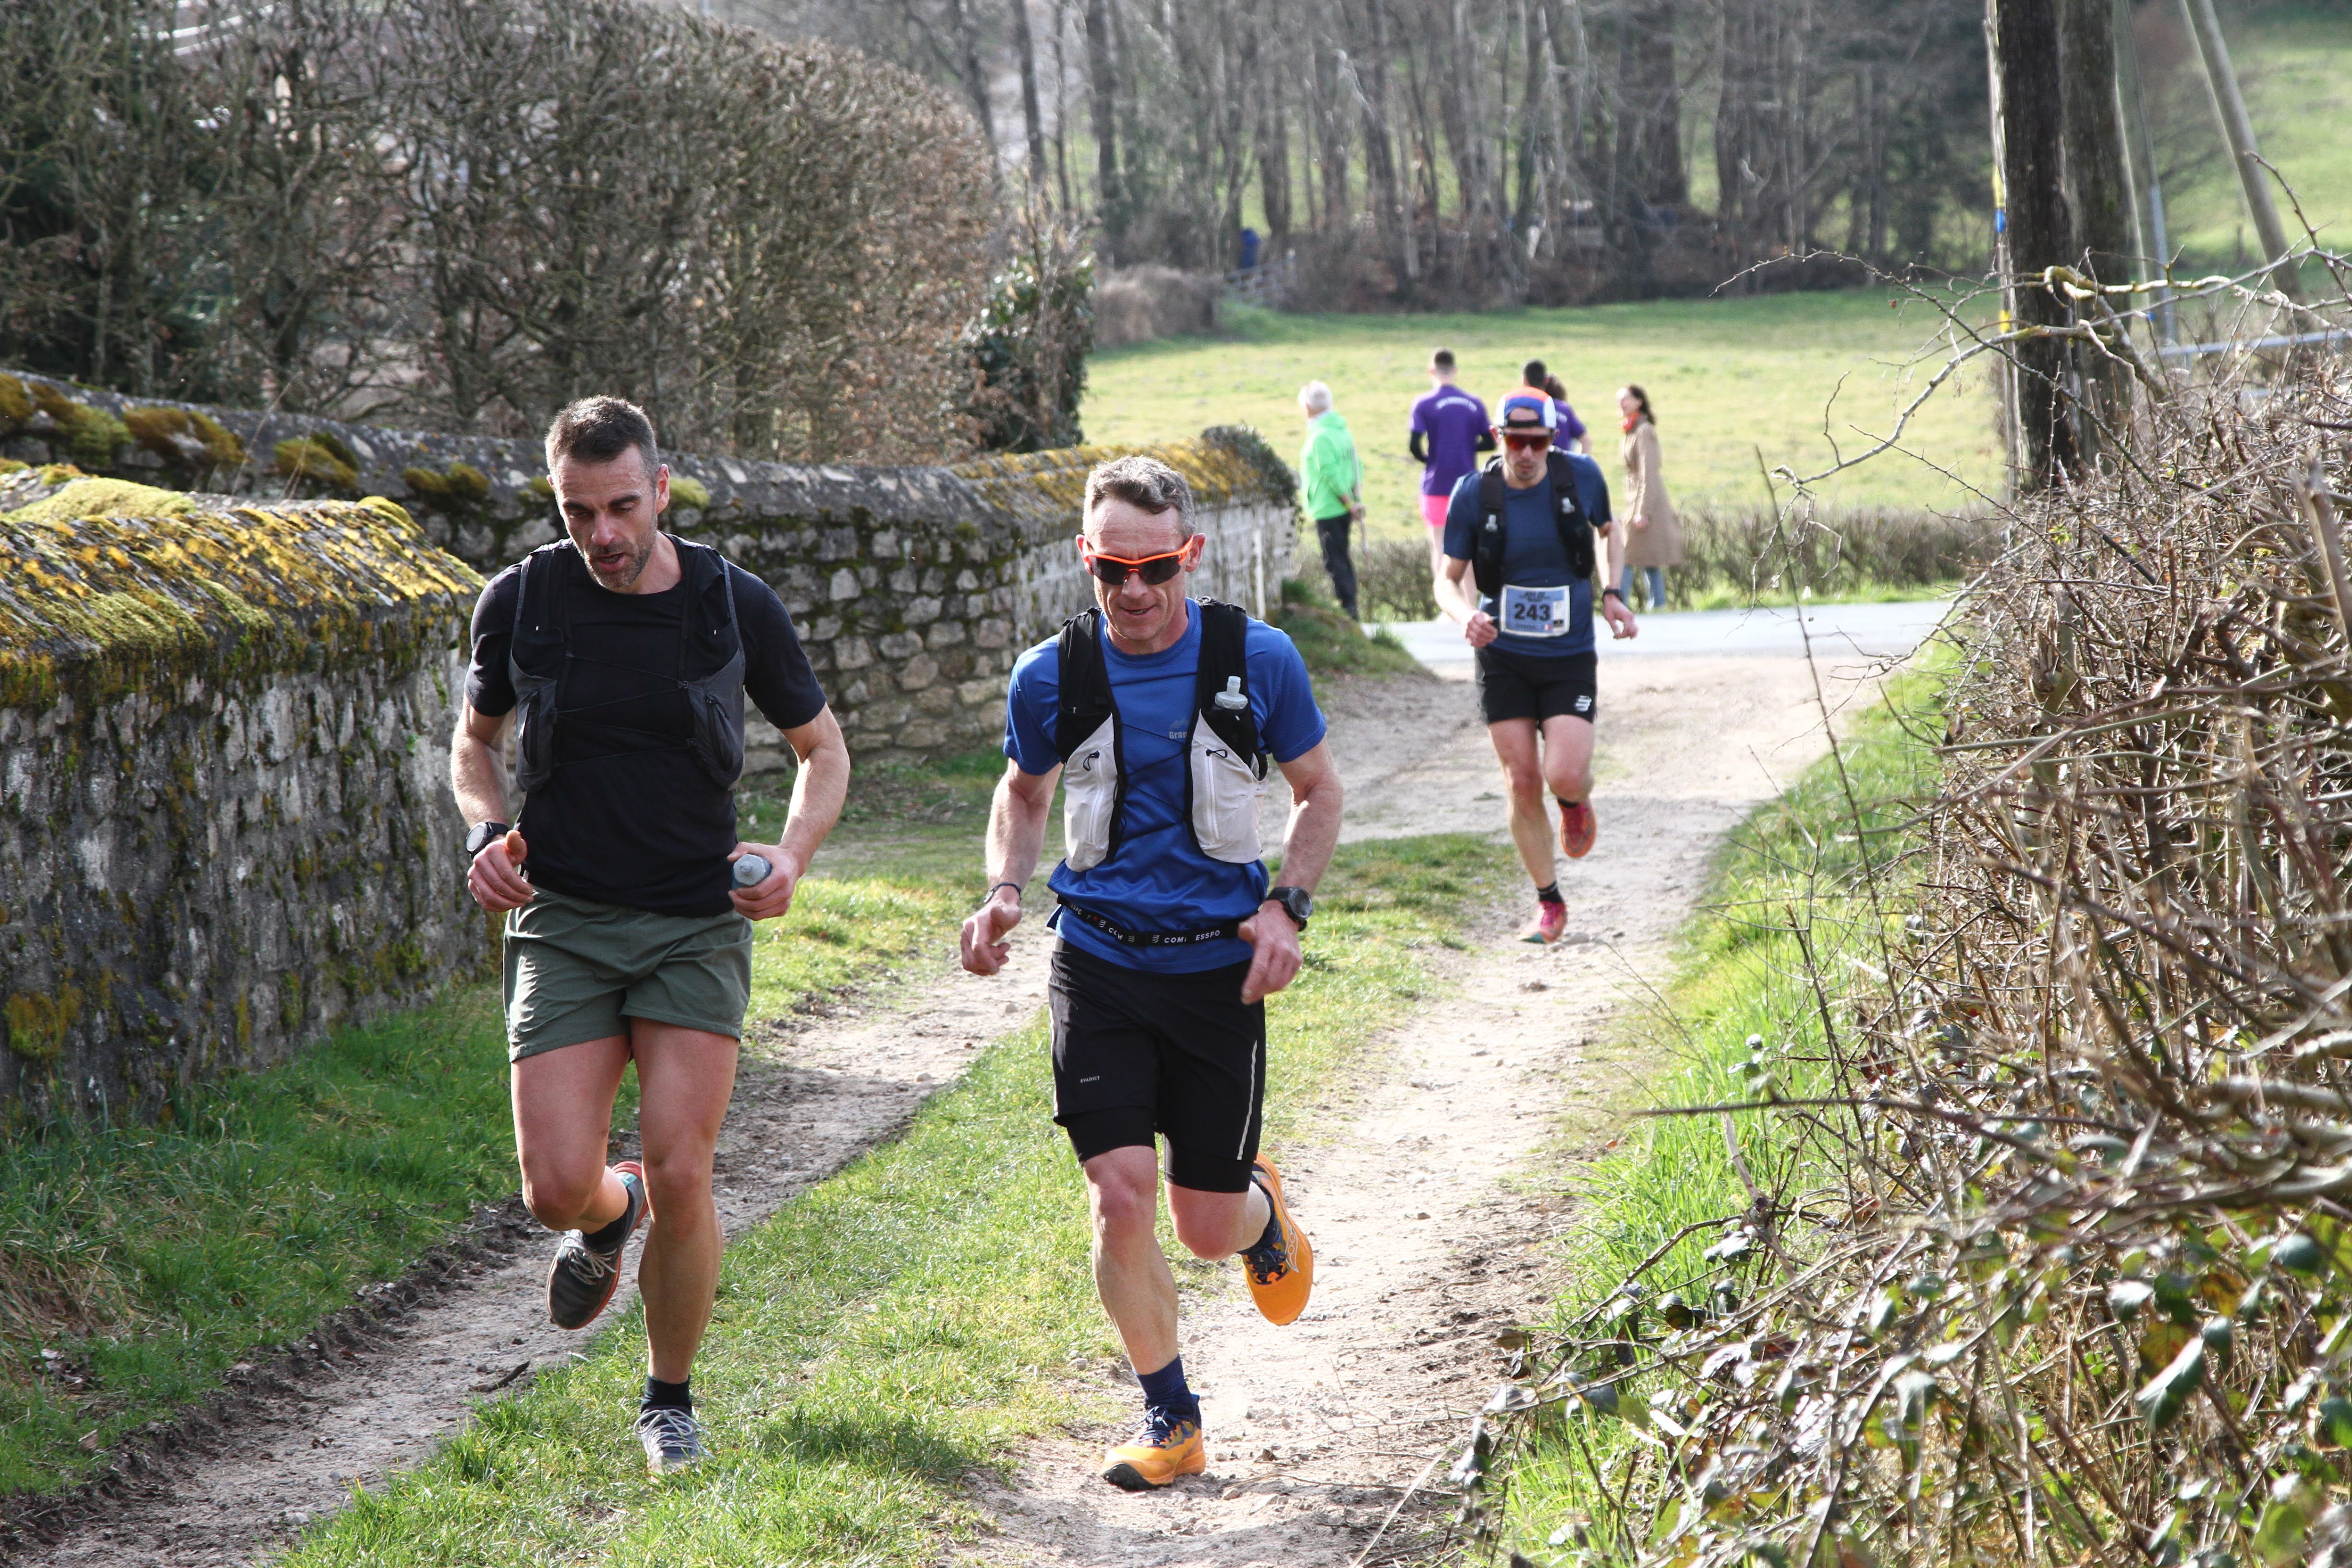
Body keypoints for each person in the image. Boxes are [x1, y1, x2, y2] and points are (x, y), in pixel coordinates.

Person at [451, 397, 850, 1475]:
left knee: (685, 1167)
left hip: (692, 923)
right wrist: (488, 830)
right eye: (578, 512)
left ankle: (668, 1399)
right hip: (564, 921)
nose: (604, 535)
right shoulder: (522, 602)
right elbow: (474, 745)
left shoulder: (731, 603)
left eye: (622, 506)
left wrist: (793, 855)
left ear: (661, 489)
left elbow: (822, 751)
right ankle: (605, 1210)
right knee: (552, 1189)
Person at [959, 455, 1344, 1493]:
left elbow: (1317, 793)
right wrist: (1003, 888)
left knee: (1205, 1226)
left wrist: (1286, 906)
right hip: (1099, 966)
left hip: (1220, 973)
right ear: (1085, 559)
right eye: (1111, 569)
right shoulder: (1051, 674)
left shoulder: (1256, 659)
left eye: (1156, 567)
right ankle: (1170, 1414)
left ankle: (1258, 1209)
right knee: (1118, 1198)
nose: (1134, 592)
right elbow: (1022, 791)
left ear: (1192, 555)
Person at [1432, 388, 1637, 945]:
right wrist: (1464, 616)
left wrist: (1613, 592)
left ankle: (1573, 801)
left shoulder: (1580, 478)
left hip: (1568, 653)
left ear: (1552, 440)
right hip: (1502, 656)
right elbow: (1446, 579)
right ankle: (1549, 902)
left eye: (1537, 442)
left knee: (1562, 774)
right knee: (1521, 780)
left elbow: (1607, 531)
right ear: (1498, 438)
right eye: (1514, 441)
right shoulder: (1474, 494)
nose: (1526, 453)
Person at [1408, 349, 1494, 574]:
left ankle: (1445, 604)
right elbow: (1491, 442)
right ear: (1455, 370)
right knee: (1468, 546)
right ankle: (1468, 604)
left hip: (1436, 482)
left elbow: (1414, 445)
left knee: (1439, 546)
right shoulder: (1474, 403)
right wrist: (1466, 447)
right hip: (1467, 483)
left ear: (1431, 371)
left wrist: (1429, 459)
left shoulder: (1423, 404)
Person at [1297, 380, 1363, 619]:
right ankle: (1350, 607)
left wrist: (1348, 502)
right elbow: (1357, 466)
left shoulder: (1320, 437)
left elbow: (1330, 473)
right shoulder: (1342, 431)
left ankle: (1348, 611)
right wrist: (1355, 500)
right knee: (1342, 557)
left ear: (1308, 406)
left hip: (1328, 506)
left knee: (1334, 561)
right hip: (1344, 507)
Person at [1617, 384, 1682, 611]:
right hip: (1636, 500)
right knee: (1647, 558)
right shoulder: (1631, 429)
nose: (1620, 403)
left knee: (1627, 555)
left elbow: (1649, 472)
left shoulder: (1644, 431)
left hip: (1648, 502)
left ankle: (1620, 604)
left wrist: (1642, 511)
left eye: (1625, 399)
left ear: (1639, 401)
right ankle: (1659, 604)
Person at [1520, 359, 1590, 455]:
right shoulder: (1563, 409)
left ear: (1524, 381)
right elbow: (1585, 440)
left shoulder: (1518, 410)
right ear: (1546, 380)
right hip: (1560, 467)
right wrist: (1578, 465)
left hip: (1530, 467)